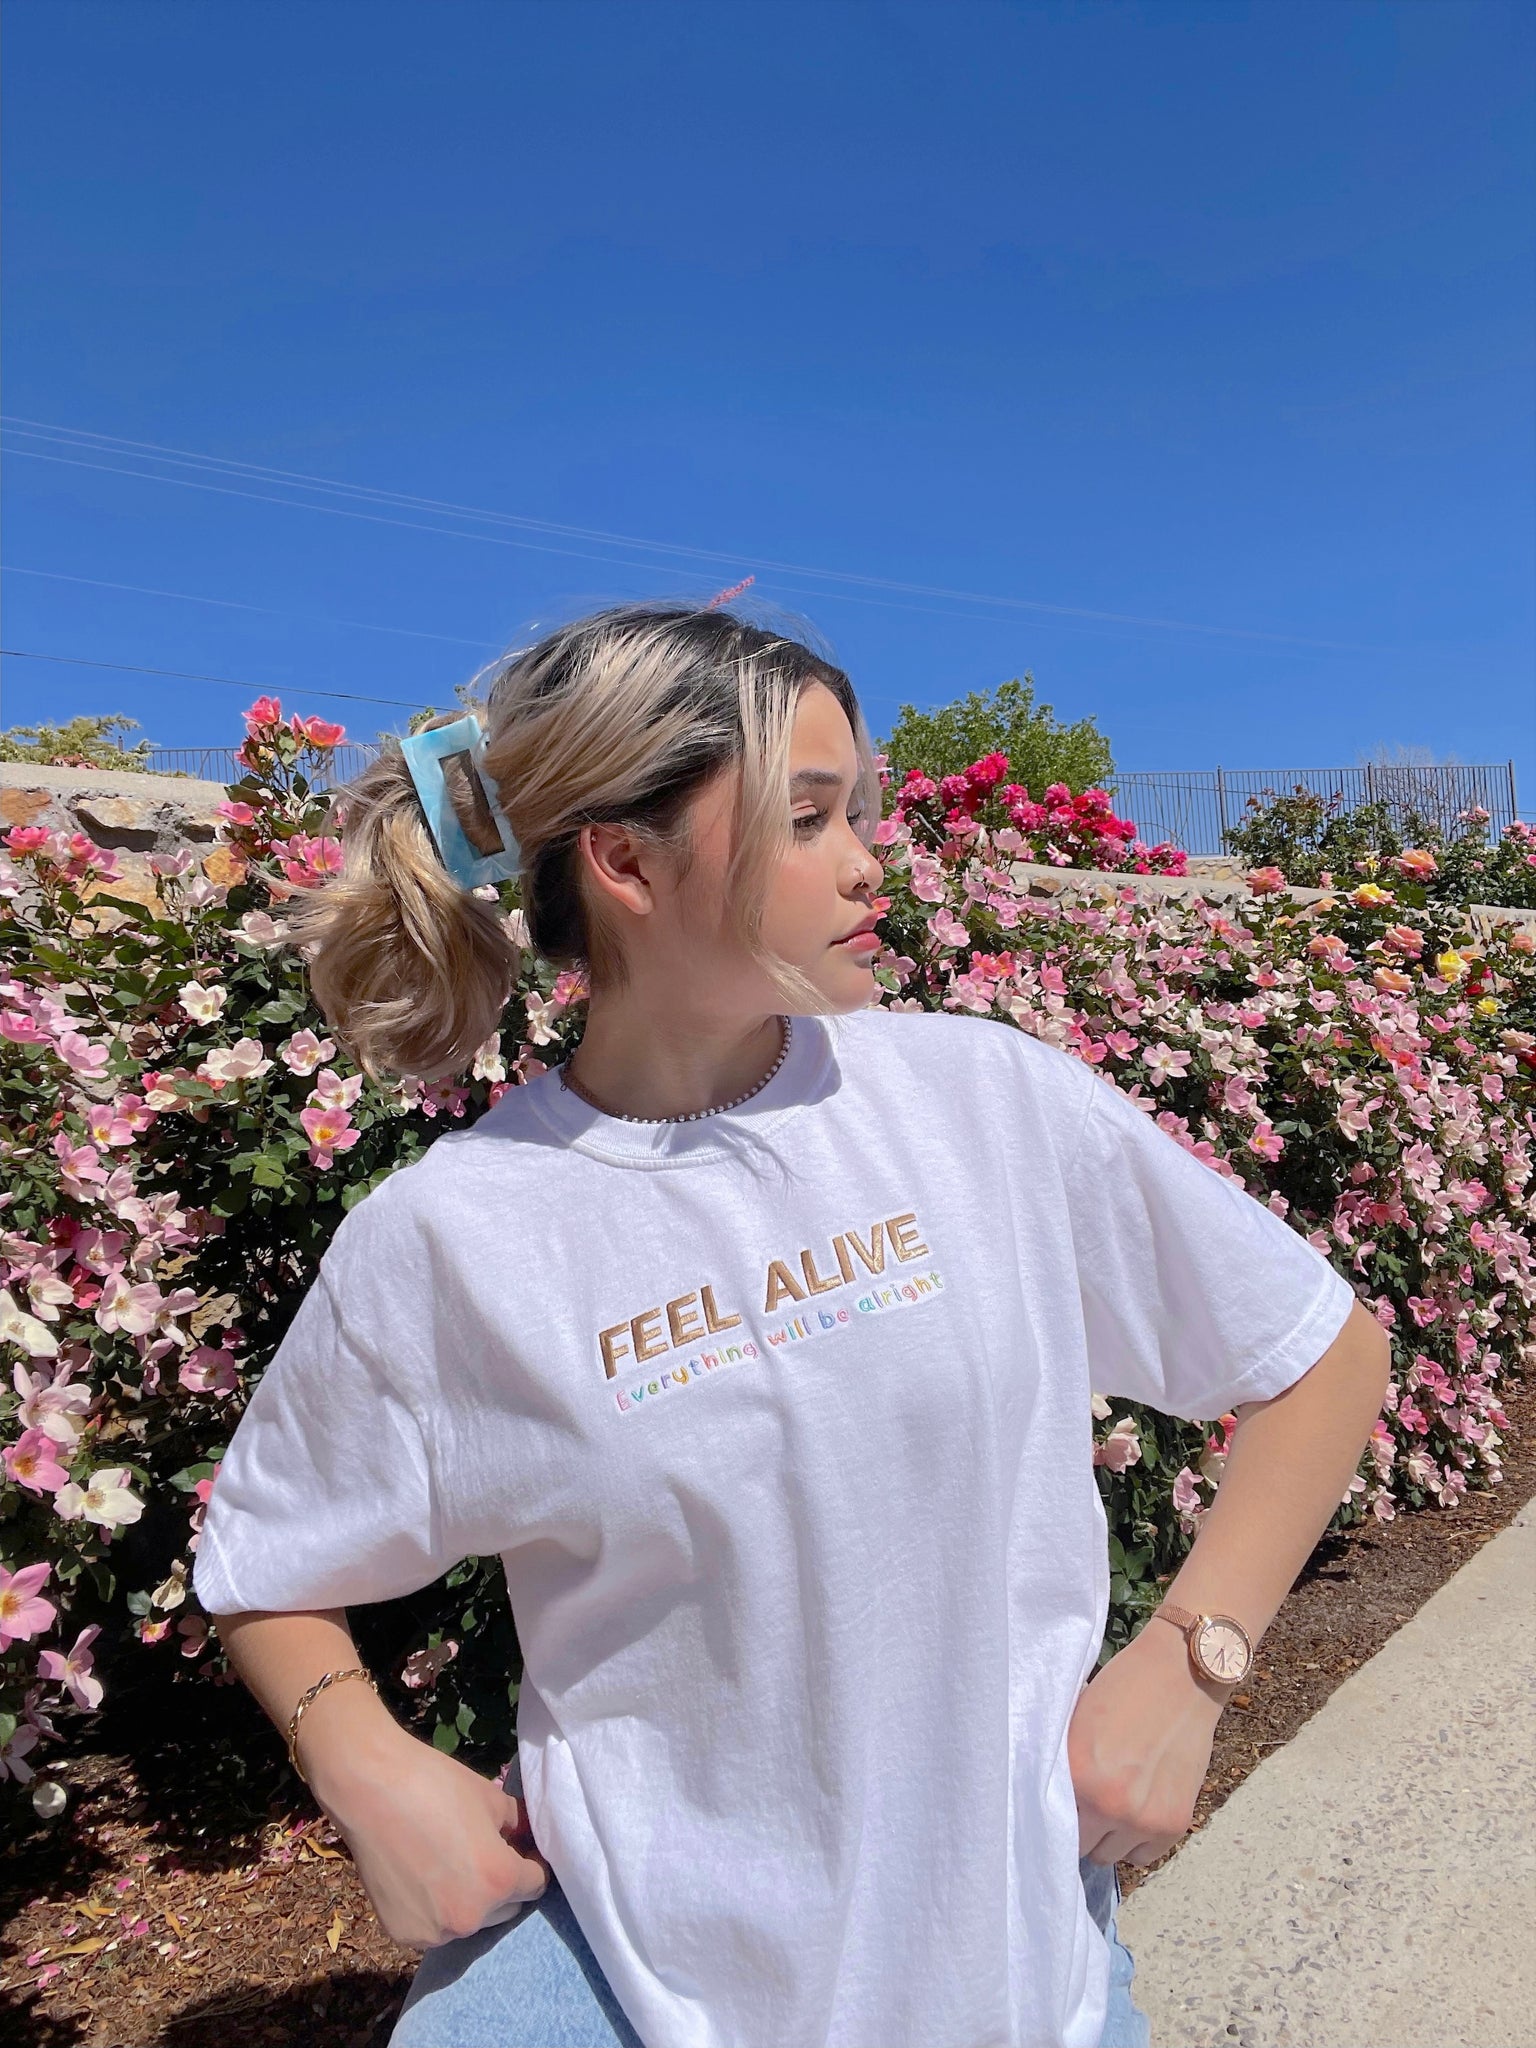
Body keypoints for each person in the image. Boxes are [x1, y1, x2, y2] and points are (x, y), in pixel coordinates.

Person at [191, 604, 1390, 2048]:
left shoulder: (982, 1104)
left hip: (1009, 1966)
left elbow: (1322, 1352)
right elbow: (268, 1559)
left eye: (858, 810)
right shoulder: (454, 1233)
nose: (870, 859)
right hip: (622, 1982)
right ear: (626, 862)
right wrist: (364, 1765)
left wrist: (1192, 1663)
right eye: (808, 817)